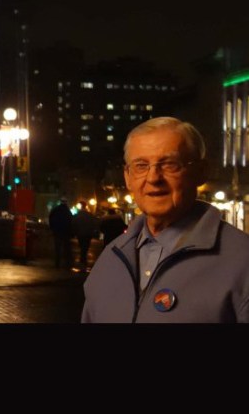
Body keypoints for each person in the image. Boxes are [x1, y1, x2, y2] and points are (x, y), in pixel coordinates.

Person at [82, 116, 249, 322]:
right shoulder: (110, 259)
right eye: (141, 165)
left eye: (170, 164)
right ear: (128, 177)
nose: (153, 178)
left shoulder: (242, 260)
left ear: (201, 172)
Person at [48, 198, 74, 269]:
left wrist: (52, 228)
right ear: (66, 202)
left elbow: (51, 218)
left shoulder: (56, 210)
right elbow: (71, 221)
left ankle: (57, 263)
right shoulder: (68, 211)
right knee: (66, 248)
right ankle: (66, 263)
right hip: (65, 232)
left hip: (57, 231)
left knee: (58, 248)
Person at [73, 200, 98, 272]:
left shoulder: (77, 215)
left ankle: (82, 258)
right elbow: (94, 223)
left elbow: (74, 224)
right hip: (88, 234)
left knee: (81, 246)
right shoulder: (89, 215)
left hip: (80, 233)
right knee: (86, 246)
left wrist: (75, 232)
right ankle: (83, 258)